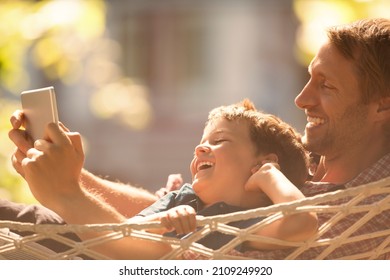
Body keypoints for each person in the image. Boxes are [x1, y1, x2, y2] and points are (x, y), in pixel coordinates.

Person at [4, 17, 390, 259]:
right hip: (91, 240)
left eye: (327, 86)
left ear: (382, 105)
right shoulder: (301, 168)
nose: (301, 98)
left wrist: (66, 195)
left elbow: (193, 263)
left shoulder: (369, 214)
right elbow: (184, 206)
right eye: (308, 78)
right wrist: (67, 176)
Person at [6, 99, 317, 259]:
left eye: (220, 141)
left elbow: (301, 223)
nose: (200, 147)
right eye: (203, 140)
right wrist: (162, 222)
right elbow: (124, 230)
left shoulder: (242, 227)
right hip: (71, 245)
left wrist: (269, 175)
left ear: (260, 164)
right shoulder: (184, 200)